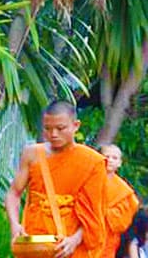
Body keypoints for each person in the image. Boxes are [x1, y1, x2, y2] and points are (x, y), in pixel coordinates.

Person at [6, 101, 113, 258]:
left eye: (60, 128)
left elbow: (94, 214)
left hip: (70, 245)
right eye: (47, 129)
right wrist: (15, 225)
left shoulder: (92, 162)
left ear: (76, 125)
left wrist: (74, 240)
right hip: (36, 241)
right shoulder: (32, 154)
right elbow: (13, 194)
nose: (53, 134)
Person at [103, 145, 142, 258]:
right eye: (106, 156)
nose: (109, 160)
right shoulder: (87, 181)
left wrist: (103, 212)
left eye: (114, 158)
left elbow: (122, 222)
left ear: (119, 163)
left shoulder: (124, 191)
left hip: (108, 240)